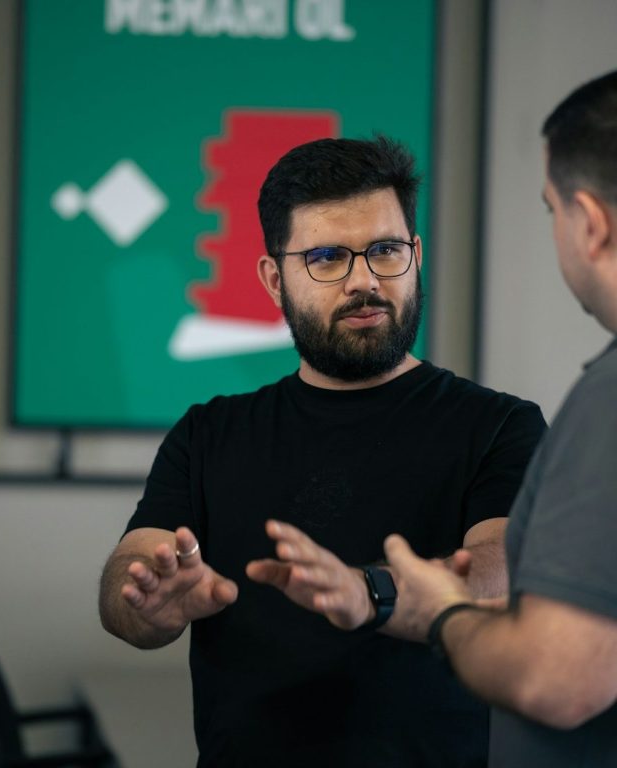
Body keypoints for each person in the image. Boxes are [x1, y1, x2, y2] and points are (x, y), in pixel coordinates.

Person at [98, 136, 546, 768]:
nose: (364, 280)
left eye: (385, 250)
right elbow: (131, 575)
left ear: (416, 256)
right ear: (273, 280)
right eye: (327, 257)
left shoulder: (500, 425)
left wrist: (372, 593)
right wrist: (146, 599)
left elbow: (503, 567)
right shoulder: (208, 434)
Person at [374, 70, 617, 768]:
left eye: (552, 210)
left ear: (590, 222)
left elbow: (558, 680)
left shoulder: (607, 402)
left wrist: (442, 613)